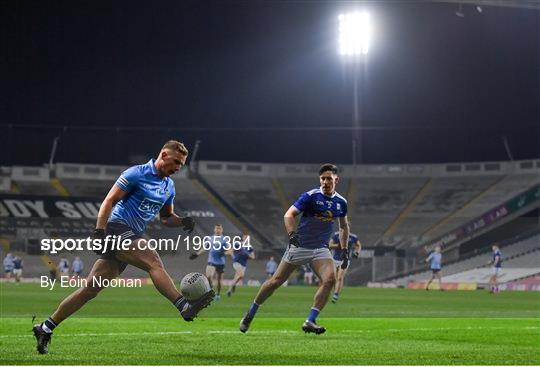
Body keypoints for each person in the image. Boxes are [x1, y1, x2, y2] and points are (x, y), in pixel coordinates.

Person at [33, 140, 214, 355]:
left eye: (181, 165)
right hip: (116, 227)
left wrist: (183, 221)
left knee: (90, 289)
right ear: (164, 155)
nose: (177, 168)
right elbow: (109, 201)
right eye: (175, 162)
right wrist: (99, 232)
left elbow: (166, 218)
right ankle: (184, 306)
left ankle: (45, 327)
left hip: (132, 233)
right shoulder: (136, 174)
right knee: (153, 260)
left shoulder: (169, 186)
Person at [240, 163, 349, 335]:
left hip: (321, 249)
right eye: (323, 178)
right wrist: (292, 235)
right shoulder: (310, 196)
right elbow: (289, 214)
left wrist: (344, 249)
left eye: (329, 178)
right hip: (300, 246)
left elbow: (343, 226)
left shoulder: (341, 202)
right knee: (275, 282)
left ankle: (310, 320)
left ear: (337, 179)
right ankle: (250, 313)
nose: (325, 181)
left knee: (330, 280)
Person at [190, 224, 228, 301]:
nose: (218, 230)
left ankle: (218, 294)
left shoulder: (224, 240)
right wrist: (197, 254)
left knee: (219, 280)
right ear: (214, 229)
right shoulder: (210, 238)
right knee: (209, 276)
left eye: (219, 229)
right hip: (211, 261)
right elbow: (205, 247)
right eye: (217, 228)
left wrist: (224, 253)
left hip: (221, 262)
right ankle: (211, 291)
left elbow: (229, 250)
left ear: (222, 230)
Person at [328, 231, 361, 303]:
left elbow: (358, 245)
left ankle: (336, 294)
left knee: (340, 277)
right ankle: (334, 291)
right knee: (334, 278)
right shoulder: (336, 235)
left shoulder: (353, 237)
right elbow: (330, 245)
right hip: (335, 260)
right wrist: (337, 246)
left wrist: (357, 252)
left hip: (345, 260)